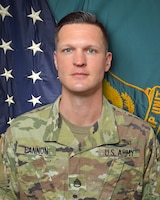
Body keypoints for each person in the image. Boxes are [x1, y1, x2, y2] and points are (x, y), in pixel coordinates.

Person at [0, 11, 160, 200]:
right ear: (55, 60)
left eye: (91, 50)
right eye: (68, 50)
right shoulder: (20, 134)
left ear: (107, 61)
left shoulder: (140, 138)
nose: (79, 61)